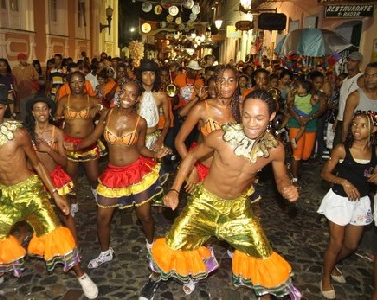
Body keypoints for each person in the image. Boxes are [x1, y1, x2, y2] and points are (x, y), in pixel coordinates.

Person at [139, 89, 300, 300]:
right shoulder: (222, 136)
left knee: (261, 252)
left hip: (237, 211)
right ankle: (155, 277)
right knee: (173, 242)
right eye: (247, 115)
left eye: (259, 118)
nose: (251, 122)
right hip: (204, 204)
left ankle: (265, 294)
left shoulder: (275, 149)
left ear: (270, 117)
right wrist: (174, 190)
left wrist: (286, 187)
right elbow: (191, 157)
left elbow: (281, 178)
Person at [0, 83, 98, 299]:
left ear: (5, 109)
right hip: (5, 196)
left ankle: (82, 276)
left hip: (31, 193)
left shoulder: (17, 133)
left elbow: (37, 164)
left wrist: (55, 195)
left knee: (55, 235)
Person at [65, 79, 170, 268]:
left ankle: (151, 245)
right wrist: (75, 146)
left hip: (136, 171)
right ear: (119, 93)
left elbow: (141, 149)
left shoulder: (140, 122)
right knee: (102, 217)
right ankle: (105, 252)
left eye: (132, 94)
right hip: (113, 173)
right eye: (124, 93)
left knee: (144, 215)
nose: (127, 98)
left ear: (137, 99)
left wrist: (156, 153)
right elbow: (93, 136)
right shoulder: (108, 113)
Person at [318, 111, 376, 299]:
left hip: (361, 201)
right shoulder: (342, 149)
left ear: (373, 129)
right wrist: (343, 181)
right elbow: (325, 174)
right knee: (336, 244)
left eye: (362, 125)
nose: (356, 129)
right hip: (340, 200)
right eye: (354, 124)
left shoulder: (374, 151)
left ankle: (332, 264)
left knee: (351, 245)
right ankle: (325, 278)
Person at [174, 64, 238, 193]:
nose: (226, 85)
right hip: (203, 171)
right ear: (215, 83)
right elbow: (179, 140)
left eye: (230, 80)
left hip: (231, 175)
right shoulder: (202, 108)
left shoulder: (242, 110)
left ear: (236, 84)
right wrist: (191, 169)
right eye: (221, 80)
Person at [24, 94, 78, 243]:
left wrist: (48, 149)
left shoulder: (57, 133)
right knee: (36, 217)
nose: (41, 112)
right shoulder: (26, 134)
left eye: (44, 109)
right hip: (34, 179)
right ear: (32, 113)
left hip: (55, 177)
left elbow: (64, 162)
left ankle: (74, 247)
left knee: (65, 214)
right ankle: (45, 246)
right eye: (37, 109)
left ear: (49, 111)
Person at [54, 71, 102, 216]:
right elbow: (56, 116)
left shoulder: (91, 99)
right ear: (69, 84)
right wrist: (56, 117)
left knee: (93, 177)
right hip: (69, 143)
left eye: (80, 81)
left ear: (84, 83)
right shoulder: (64, 100)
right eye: (73, 82)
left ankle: (98, 196)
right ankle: (74, 203)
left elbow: (106, 109)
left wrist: (97, 108)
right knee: (71, 177)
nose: (77, 85)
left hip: (88, 143)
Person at [136, 59, 170, 151]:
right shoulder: (135, 95)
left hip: (154, 139)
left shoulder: (161, 96)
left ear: (156, 76)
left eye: (152, 73)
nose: (149, 76)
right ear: (140, 76)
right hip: (136, 139)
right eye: (145, 73)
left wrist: (160, 139)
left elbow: (167, 120)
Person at [342, 62, 377, 144]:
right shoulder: (355, 96)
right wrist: (345, 147)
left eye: (374, 75)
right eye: (367, 75)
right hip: (358, 147)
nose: (369, 79)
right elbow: (345, 124)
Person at [333, 52, 363, 146]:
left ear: (359, 63)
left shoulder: (361, 78)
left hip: (352, 121)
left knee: (347, 148)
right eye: (348, 60)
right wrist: (337, 121)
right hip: (341, 120)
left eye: (353, 61)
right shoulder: (345, 80)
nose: (349, 63)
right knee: (337, 148)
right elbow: (342, 102)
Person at [279, 79, 317, 149]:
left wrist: (314, 99)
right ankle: (294, 139)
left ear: (304, 89)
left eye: (298, 87)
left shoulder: (307, 96)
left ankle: (283, 128)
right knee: (302, 127)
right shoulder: (306, 96)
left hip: (299, 112)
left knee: (288, 116)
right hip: (303, 113)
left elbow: (314, 103)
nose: (296, 89)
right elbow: (313, 103)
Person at [12, 53, 40, 123]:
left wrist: (31, 79)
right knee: (23, 109)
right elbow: (13, 80)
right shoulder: (15, 69)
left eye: (25, 59)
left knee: (32, 107)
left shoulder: (31, 67)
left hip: (31, 91)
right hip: (22, 93)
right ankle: (23, 124)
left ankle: (34, 122)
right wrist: (16, 90)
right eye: (22, 59)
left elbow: (37, 76)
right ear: (19, 60)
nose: (24, 61)